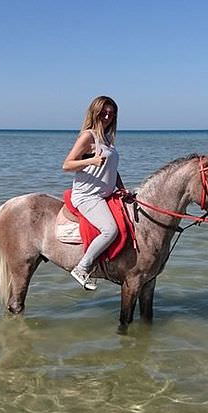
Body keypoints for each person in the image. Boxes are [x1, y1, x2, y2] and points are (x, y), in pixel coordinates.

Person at [62, 96, 127, 290]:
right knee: (110, 230)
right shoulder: (88, 136)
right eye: (104, 112)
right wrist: (89, 161)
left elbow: (112, 170)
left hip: (105, 195)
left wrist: (122, 188)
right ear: (95, 112)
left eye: (111, 113)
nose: (107, 116)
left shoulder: (108, 138)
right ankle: (83, 267)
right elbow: (66, 164)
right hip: (88, 196)